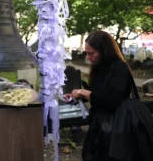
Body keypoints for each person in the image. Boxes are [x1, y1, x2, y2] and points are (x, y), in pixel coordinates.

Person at [65, 30, 153, 161]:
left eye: (91, 53)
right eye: (87, 53)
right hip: (101, 124)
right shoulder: (99, 67)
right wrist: (79, 96)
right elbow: (99, 94)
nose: (88, 57)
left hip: (119, 127)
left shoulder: (119, 68)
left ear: (104, 51)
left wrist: (83, 92)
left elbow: (111, 99)